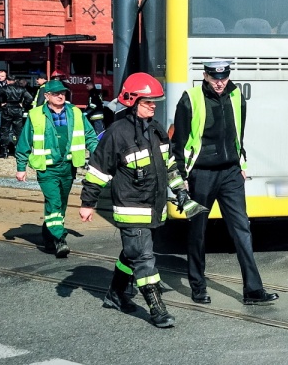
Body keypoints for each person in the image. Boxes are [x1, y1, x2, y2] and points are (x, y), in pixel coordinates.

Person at [79, 73, 203, 328]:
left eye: (155, 101)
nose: (153, 105)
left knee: (132, 253)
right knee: (145, 259)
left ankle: (115, 294)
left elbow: (169, 165)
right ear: (132, 101)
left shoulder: (156, 129)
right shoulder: (116, 133)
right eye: (148, 102)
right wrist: (87, 203)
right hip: (130, 207)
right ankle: (157, 309)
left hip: (154, 207)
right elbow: (98, 170)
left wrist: (180, 190)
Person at [171, 60, 278, 306]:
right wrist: (181, 180)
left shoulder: (236, 95)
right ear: (205, 76)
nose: (220, 82)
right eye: (215, 77)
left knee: (242, 230)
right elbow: (178, 144)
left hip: (230, 173)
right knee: (197, 232)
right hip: (201, 174)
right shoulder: (191, 98)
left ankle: (253, 290)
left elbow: (238, 134)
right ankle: (198, 287)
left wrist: (242, 164)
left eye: (224, 77)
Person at [15, 79, 99, 258]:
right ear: (46, 96)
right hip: (47, 168)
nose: (60, 96)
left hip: (68, 167)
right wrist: (21, 167)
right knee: (54, 203)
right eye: (55, 93)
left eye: (63, 93)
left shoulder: (75, 113)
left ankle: (48, 239)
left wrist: (100, 157)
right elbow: (24, 142)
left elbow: (90, 136)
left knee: (60, 205)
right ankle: (60, 239)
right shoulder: (35, 115)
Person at [0, 73, 33, 158]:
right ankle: (19, 150)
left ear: (7, 81)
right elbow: (30, 98)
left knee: (5, 130)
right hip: (17, 109)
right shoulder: (21, 89)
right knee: (18, 131)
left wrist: (1, 103)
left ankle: (4, 151)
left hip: (7, 109)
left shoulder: (4, 88)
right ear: (15, 80)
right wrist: (23, 105)